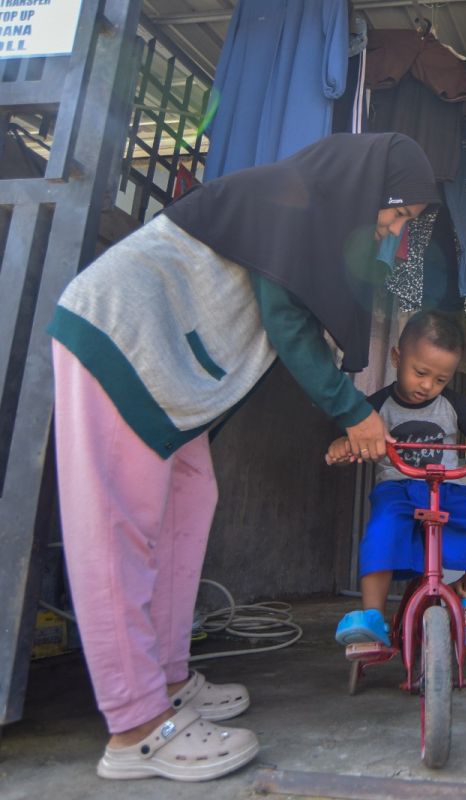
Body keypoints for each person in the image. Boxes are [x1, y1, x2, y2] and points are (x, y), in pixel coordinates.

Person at [48, 133, 440, 782]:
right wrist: (353, 411)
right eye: (395, 216)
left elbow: (293, 321)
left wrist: (351, 411)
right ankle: (136, 727)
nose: (391, 234)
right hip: (119, 340)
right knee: (119, 531)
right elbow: (286, 321)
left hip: (167, 370)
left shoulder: (305, 213)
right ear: (374, 190)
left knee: (188, 507)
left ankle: (168, 681)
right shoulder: (286, 198)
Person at [328, 310, 466, 647]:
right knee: (380, 531)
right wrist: (341, 446)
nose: (427, 386)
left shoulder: (453, 405)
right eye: (420, 373)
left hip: (446, 489)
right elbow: (353, 436)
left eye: (440, 379)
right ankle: (373, 618)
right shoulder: (378, 406)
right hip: (397, 490)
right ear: (397, 357)